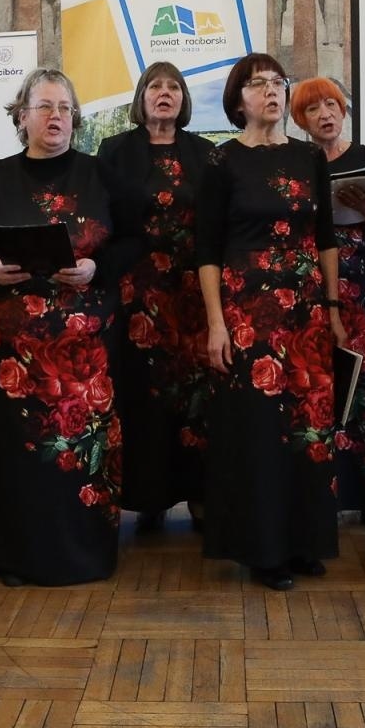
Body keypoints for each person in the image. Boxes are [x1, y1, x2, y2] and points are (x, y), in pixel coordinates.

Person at [0, 68, 139, 586]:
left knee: (80, 454)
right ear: (21, 116)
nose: (55, 117)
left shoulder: (100, 175)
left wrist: (98, 268)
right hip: (15, 356)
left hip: (84, 354)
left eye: (64, 108)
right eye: (44, 107)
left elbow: (136, 239)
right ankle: (16, 557)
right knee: (20, 454)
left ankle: (85, 555)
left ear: (75, 118)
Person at [198, 52, 346, 591]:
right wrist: (216, 324)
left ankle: (306, 541)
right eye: (258, 85)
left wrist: (332, 310)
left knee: (308, 429)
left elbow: (325, 239)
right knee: (259, 433)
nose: (271, 92)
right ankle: (264, 551)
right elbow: (207, 250)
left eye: (277, 83)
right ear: (239, 99)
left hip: (305, 313)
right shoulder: (223, 161)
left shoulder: (310, 158)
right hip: (246, 315)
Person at [97, 63, 213, 533]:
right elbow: (101, 219)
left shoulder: (206, 153)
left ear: (184, 100)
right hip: (137, 294)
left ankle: (201, 495)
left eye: (173, 88)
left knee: (197, 395)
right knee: (143, 395)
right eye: (154, 87)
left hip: (192, 293)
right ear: (141, 98)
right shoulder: (114, 152)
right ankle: (150, 495)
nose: (164, 94)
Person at [291, 77, 365, 511]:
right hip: (313, 290)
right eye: (313, 109)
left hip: (362, 290)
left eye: (331, 104)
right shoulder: (298, 162)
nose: (325, 114)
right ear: (301, 120)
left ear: (344, 110)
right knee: (319, 388)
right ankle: (322, 491)